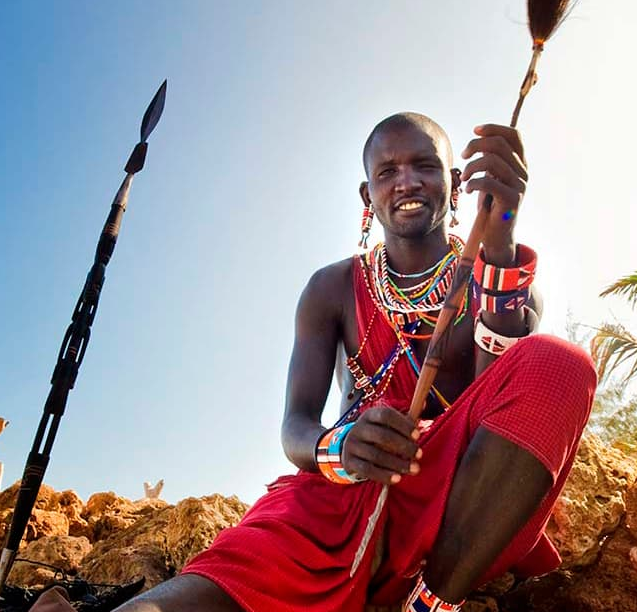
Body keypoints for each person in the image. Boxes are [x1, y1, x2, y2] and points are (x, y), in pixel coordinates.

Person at [118, 112, 595, 612]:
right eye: (387, 172)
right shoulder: (331, 288)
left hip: (458, 507)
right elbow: (295, 427)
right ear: (368, 195)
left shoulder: (503, 279)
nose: (406, 182)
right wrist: (343, 447)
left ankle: (432, 602)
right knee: (193, 595)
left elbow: (498, 406)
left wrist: (500, 240)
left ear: (456, 184)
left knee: (559, 361)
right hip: (336, 500)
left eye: (424, 166)